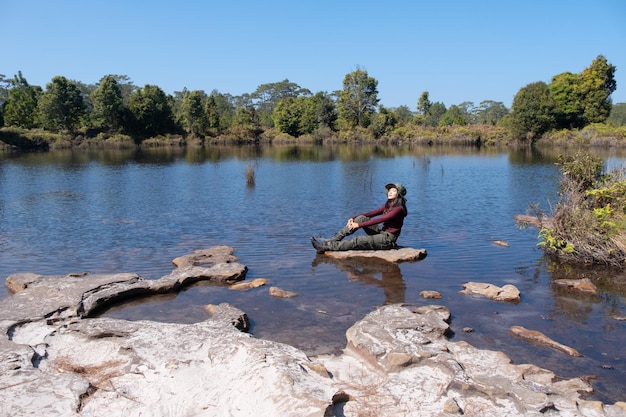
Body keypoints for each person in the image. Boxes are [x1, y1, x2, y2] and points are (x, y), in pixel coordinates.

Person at [311, 183, 408, 253]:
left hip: (388, 240)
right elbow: (372, 213)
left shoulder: (399, 209)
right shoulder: (389, 204)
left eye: (393, 190)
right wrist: (354, 218)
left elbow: (380, 219)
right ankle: (332, 240)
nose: (390, 192)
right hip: (381, 233)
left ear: (399, 194)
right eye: (389, 190)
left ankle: (326, 247)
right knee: (361, 217)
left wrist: (358, 225)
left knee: (358, 240)